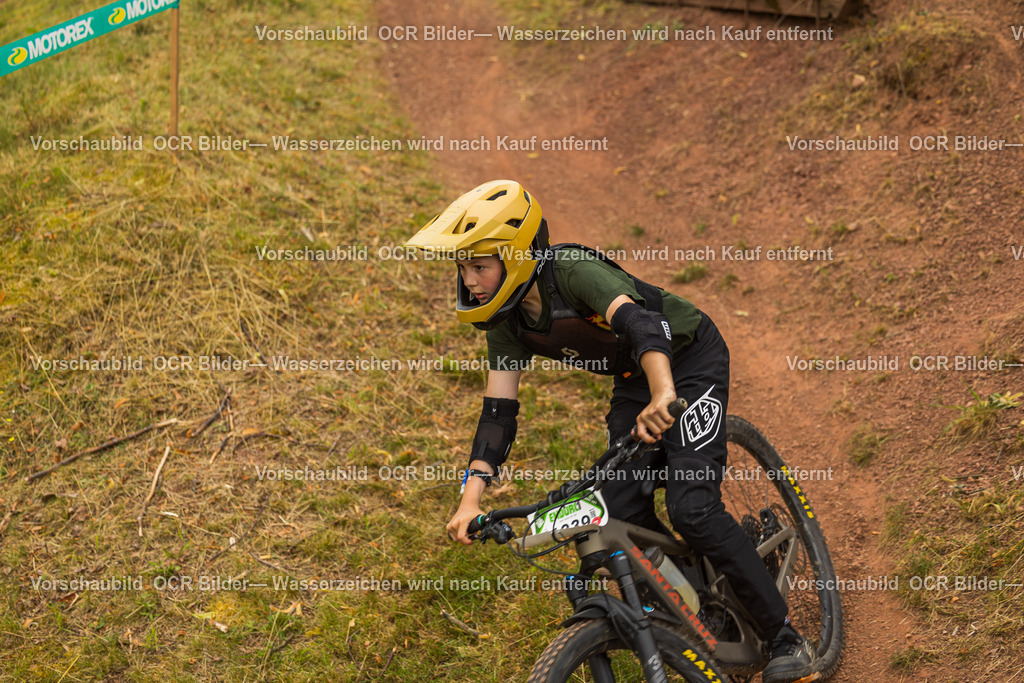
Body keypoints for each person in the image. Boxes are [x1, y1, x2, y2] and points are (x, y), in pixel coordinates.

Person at [406, 179, 815, 683]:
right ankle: (701, 604)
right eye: (463, 267)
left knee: (693, 507)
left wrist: (664, 394)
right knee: (618, 508)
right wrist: (471, 500)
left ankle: (785, 638)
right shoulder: (505, 324)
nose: (469, 280)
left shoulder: (571, 272)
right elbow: (497, 415)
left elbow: (644, 325)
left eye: (479, 265)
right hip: (632, 379)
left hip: (686, 359)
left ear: (515, 257)